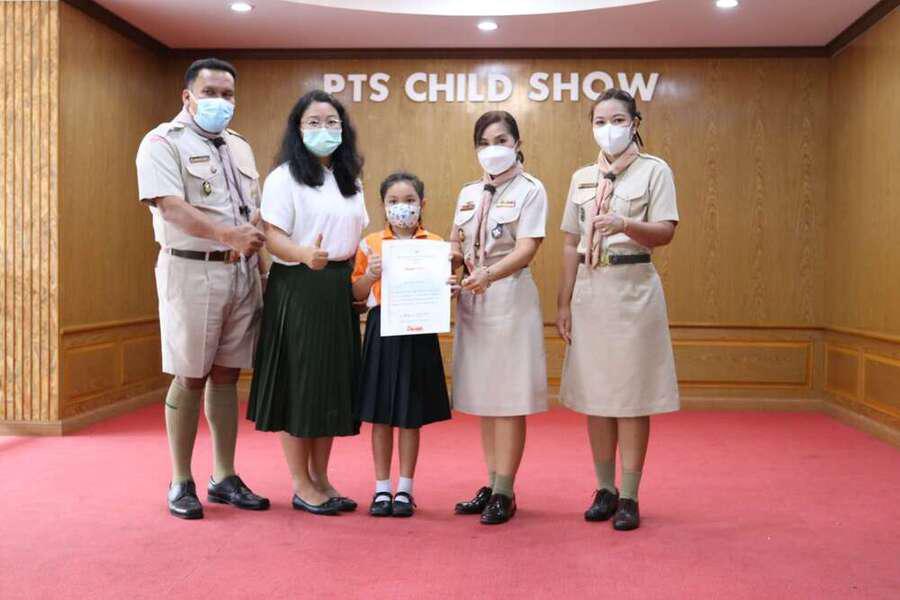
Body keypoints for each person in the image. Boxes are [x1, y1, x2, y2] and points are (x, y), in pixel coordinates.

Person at [135, 58, 270, 519]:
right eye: (209, 93)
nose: (220, 102)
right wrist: (227, 235)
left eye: (227, 94)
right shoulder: (162, 142)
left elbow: (253, 215)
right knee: (190, 374)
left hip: (241, 272)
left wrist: (259, 267)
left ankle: (224, 476)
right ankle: (180, 480)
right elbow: (170, 207)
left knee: (228, 374)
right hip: (191, 270)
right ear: (187, 96)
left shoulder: (239, 146)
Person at [557, 88, 680, 531]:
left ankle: (629, 494)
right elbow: (570, 242)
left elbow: (666, 231)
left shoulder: (654, 170)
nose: (608, 128)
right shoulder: (582, 178)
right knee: (596, 396)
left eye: (617, 120)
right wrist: (563, 301)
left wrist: (625, 223)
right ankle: (604, 488)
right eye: (599, 121)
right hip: (591, 291)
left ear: (634, 123)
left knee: (630, 397)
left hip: (633, 290)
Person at [247, 90, 367, 516]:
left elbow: (356, 237)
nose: (324, 129)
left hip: (336, 287)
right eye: (313, 122)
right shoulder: (284, 178)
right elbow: (272, 235)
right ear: (297, 130)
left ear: (343, 129)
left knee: (329, 385)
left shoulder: (350, 179)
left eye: (332, 122)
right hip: (299, 285)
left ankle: (322, 478)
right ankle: (301, 483)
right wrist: (303, 254)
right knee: (300, 386)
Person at [450, 111, 549, 525]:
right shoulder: (468, 193)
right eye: (485, 143)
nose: (493, 149)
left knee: (508, 400)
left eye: (502, 140)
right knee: (486, 399)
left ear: (517, 143)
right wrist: (449, 267)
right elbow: (457, 244)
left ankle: (505, 490)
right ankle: (491, 483)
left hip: (508, 296)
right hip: (473, 301)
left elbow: (527, 248)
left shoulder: (531, 190)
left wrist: (488, 274)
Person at [352, 171, 454, 518]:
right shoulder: (370, 244)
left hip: (419, 331)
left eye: (409, 200)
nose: (402, 207)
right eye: (393, 201)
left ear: (422, 204)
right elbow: (356, 293)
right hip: (382, 327)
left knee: (411, 415)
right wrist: (370, 274)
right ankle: (382, 488)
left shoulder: (436, 245)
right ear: (383, 206)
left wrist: (449, 287)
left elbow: (443, 292)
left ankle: (405, 489)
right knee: (380, 413)